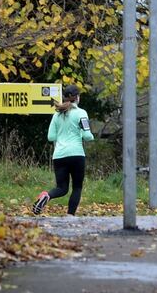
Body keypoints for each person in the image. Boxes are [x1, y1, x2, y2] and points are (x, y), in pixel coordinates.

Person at [32, 84, 94, 215]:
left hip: (59, 156)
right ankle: (70, 215)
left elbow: (51, 137)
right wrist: (86, 135)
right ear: (77, 97)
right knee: (77, 187)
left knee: (61, 188)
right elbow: (88, 136)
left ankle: (46, 196)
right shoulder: (81, 113)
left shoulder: (56, 115)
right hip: (77, 154)